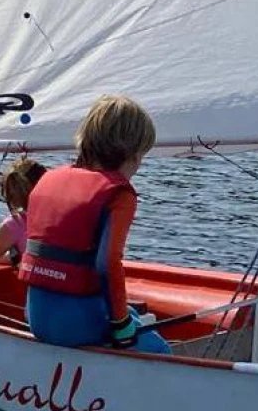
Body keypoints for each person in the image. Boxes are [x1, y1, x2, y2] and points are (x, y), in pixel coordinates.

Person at [19, 95, 171, 355]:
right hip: (75, 323)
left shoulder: (48, 180)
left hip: (36, 315)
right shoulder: (119, 194)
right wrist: (121, 326)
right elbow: (106, 265)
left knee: (131, 314)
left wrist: (124, 317)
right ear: (132, 155)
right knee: (160, 350)